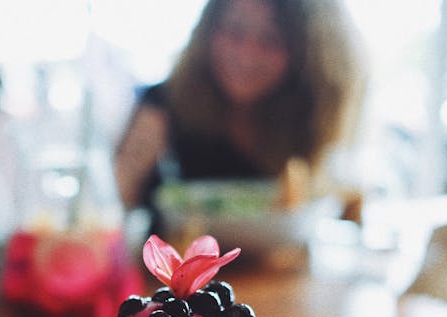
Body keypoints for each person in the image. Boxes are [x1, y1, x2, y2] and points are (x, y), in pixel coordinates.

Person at [114, 0, 366, 220]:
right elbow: (113, 203)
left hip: (277, 271)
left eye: (271, 40)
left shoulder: (309, 119)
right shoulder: (162, 105)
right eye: (234, 31)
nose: (247, 53)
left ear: (306, 55)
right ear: (209, 31)